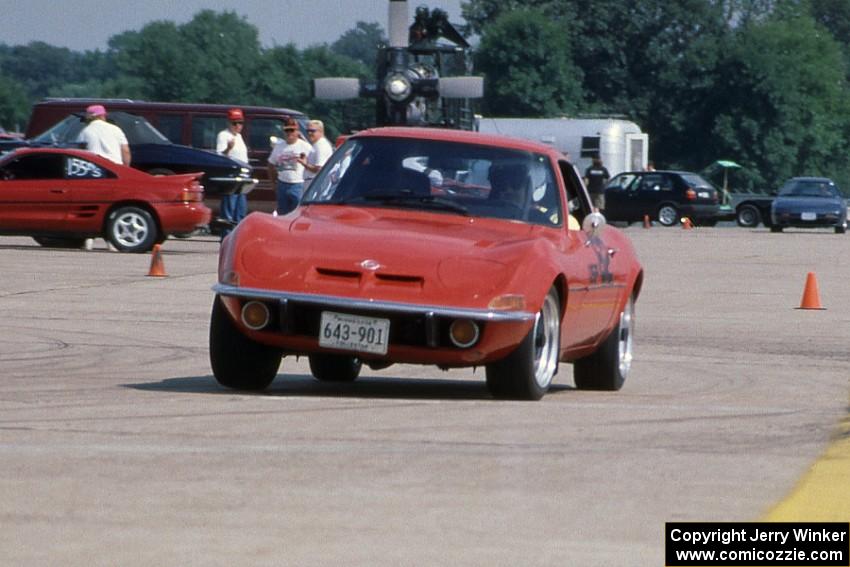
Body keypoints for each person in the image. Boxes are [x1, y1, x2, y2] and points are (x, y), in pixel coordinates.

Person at [268, 118, 312, 215]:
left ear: (297, 131)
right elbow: (271, 164)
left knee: (297, 213)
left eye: (292, 130)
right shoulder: (279, 146)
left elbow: (313, 164)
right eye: (287, 130)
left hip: (298, 185)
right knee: (282, 214)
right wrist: (273, 183)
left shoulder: (305, 147)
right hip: (282, 184)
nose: (289, 133)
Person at [216, 108, 249, 232]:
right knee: (228, 212)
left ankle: (237, 238)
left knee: (241, 211)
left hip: (242, 176)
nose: (238, 126)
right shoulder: (223, 135)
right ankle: (226, 238)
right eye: (234, 123)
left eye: (240, 123)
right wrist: (228, 149)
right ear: (229, 123)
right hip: (231, 176)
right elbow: (220, 156)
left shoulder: (239, 137)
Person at [300, 120, 333, 187]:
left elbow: (319, 169)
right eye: (308, 131)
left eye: (312, 131)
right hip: (312, 181)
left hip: (315, 183)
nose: (309, 133)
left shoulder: (321, 146)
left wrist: (305, 164)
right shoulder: (317, 144)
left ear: (321, 131)